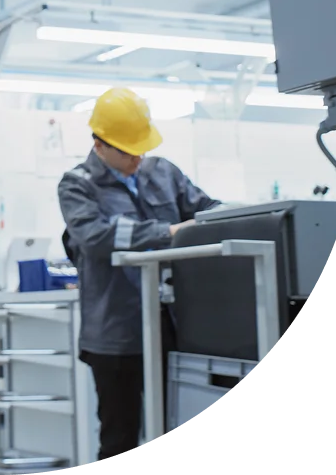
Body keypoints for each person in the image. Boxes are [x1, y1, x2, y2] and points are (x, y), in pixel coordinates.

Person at [58, 86, 220, 464]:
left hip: (172, 326)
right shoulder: (77, 185)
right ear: (100, 145)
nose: (138, 158)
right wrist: (168, 232)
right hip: (116, 333)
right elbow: (97, 236)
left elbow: (207, 210)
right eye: (128, 151)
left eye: (141, 148)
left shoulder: (164, 172)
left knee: (177, 420)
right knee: (119, 440)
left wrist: (233, 218)